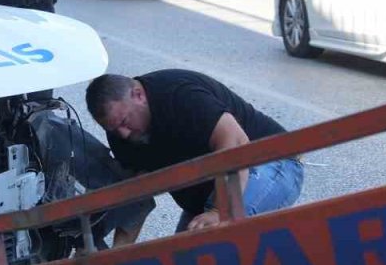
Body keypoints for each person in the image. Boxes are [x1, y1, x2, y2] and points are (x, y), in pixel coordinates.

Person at [86, 70, 303, 233]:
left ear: (138, 95)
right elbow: (137, 196)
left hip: (268, 163)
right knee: (184, 264)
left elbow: (236, 143)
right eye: (114, 129)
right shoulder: (121, 136)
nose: (123, 134)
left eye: (124, 121)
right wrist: (115, 258)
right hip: (211, 194)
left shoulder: (179, 95)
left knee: (211, 238)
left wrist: (220, 212)